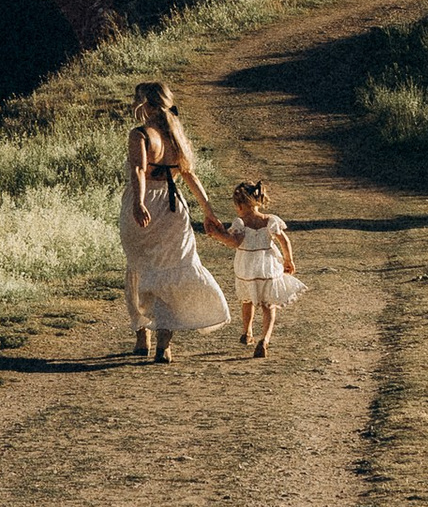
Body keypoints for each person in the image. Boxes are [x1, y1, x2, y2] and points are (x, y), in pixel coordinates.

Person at [119, 79, 231, 362]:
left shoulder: (140, 134)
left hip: (147, 204)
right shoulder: (175, 134)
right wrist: (208, 210)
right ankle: (163, 343)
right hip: (174, 209)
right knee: (171, 270)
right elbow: (191, 176)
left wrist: (138, 203)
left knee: (138, 268)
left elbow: (138, 170)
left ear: (144, 103)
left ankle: (141, 331)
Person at [207, 178, 306, 357]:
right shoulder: (270, 220)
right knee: (269, 305)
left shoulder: (240, 223)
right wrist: (288, 260)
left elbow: (234, 242)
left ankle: (247, 332)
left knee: (247, 300)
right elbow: (284, 240)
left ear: (240, 205)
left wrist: (216, 235)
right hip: (267, 268)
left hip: (247, 269)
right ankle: (264, 339)